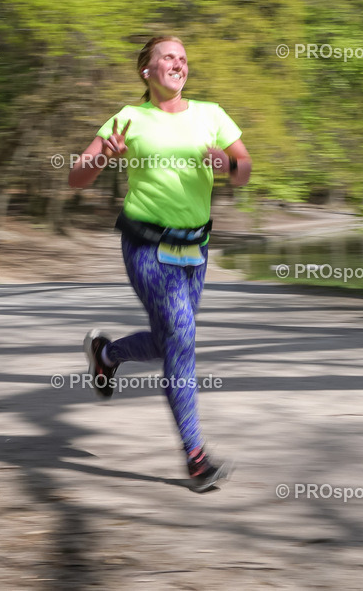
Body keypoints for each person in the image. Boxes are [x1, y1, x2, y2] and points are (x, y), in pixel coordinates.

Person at [68, 35, 251, 492]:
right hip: (146, 244)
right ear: (147, 71)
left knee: (172, 338)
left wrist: (228, 166)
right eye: (168, 56)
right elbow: (75, 177)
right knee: (182, 337)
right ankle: (195, 457)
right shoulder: (128, 119)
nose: (179, 63)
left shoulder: (211, 114)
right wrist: (101, 160)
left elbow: (245, 168)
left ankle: (106, 354)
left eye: (184, 58)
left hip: (195, 249)